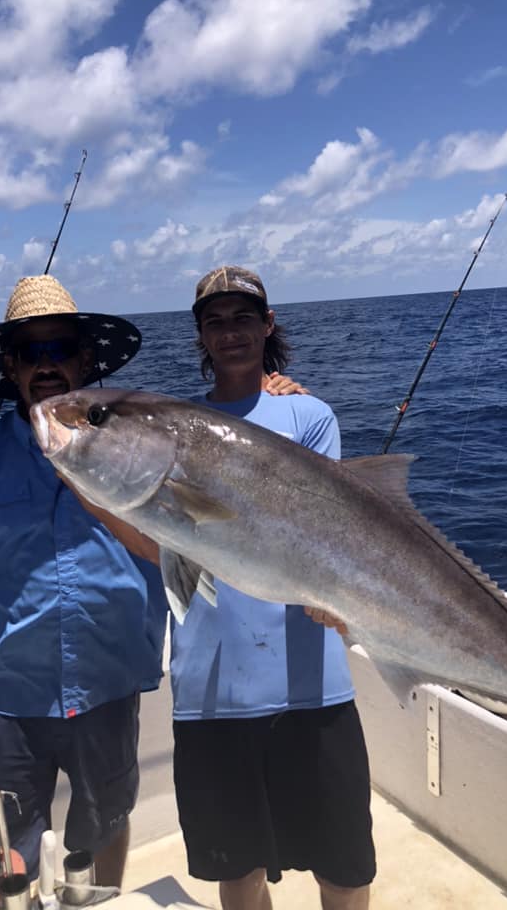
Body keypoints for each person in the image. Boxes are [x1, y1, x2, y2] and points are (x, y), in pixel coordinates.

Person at [84, 267, 376, 909]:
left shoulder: (307, 414)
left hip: (312, 686)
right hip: (210, 694)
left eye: (244, 317)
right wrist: (103, 500)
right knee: (234, 869)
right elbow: (170, 552)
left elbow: (328, 531)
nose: (231, 332)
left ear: (267, 325)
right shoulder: (167, 431)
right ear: (200, 336)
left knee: (345, 870)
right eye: (215, 321)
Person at [0, 274, 167, 888]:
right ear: (11, 366)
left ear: (86, 359)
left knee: (107, 825)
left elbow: (207, 480)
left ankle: (103, 900)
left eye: (61, 349)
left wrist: (268, 389)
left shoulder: (138, 442)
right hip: (7, 691)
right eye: (31, 352)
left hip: (109, 678)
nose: (47, 365)